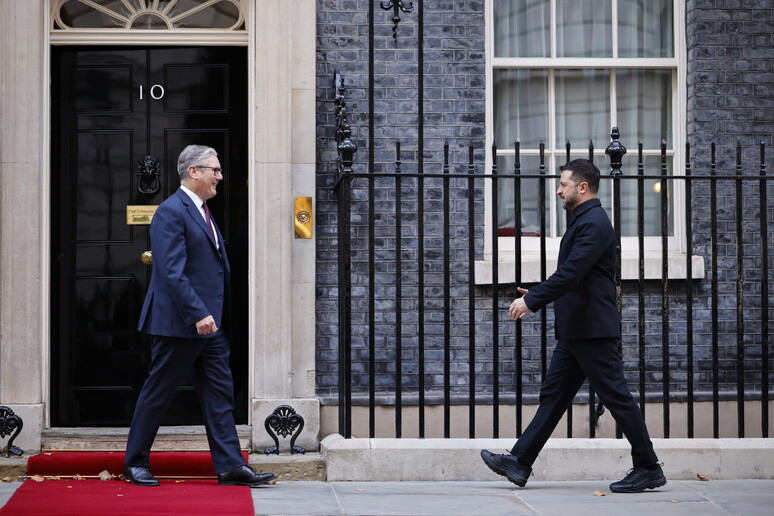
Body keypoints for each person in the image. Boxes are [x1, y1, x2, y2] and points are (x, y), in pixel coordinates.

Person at [480, 159, 666, 494]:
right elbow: (575, 275)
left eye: (563, 184)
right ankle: (520, 461)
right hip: (578, 329)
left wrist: (533, 300)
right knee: (554, 396)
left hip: (591, 329)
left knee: (616, 397)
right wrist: (538, 292)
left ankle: (649, 467)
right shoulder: (584, 220)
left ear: (582, 187)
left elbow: (572, 273)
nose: (558, 190)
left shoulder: (594, 222)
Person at [123, 145, 275, 488]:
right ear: (193, 171)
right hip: (181, 323)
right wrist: (198, 312)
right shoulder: (170, 211)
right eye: (214, 170)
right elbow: (171, 272)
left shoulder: (202, 210)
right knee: (158, 393)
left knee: (219, 394)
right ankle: (135, 463)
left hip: (210, 325)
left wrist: (212, 314)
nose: (220, 176)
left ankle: (230, 466)